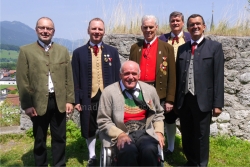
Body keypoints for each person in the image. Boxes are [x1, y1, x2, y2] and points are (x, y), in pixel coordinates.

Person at [16, 17, 74, 166]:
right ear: (36, 30)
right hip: (38, 103)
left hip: (59, 101)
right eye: (42, 28)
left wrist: (69, 100)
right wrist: (27, 104)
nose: (45, 31)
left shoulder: (63, 51)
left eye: (48, 29)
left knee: (60, 137)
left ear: (53, 32)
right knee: (40, 138)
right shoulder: (26, 51)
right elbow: (22, 80)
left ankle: (59, 164)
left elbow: (69, 77)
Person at [175, 14, 224, 166]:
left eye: (198, 24)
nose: (195, 27)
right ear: (188, 28)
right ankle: (191, 160)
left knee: (202, 135)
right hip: (185, 99)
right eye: (191, 25)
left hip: (203, 100)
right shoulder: (182, 48)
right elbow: (178, 76)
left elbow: (218, 77)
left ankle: (201, 164)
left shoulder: (214, 47)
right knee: (187, 132)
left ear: (204, 27)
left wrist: (217, 104)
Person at [71, 18, 121, 166]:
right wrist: (77, 100)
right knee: (89, 125)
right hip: (88, 97)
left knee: (111, 123)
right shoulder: (78, 53)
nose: (96, 32)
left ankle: (111, 153)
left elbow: (119, 75)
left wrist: (119, 96)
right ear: (88, 31)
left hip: (108, 97)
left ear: (104, 31)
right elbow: (75, 77)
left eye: (99, 29)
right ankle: (92, 155)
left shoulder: (113, 51)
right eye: (94, 29)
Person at [97, 60, 165, 166]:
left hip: (145, 132)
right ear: (120, 75)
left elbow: (158, 114)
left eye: (134, 73)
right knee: (128, 151)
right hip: (121, 132)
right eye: (126, 73)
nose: (130, 77)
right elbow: (103, 120)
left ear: (139, 75)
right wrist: (120, 134)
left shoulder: (150, 90)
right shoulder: (109, 92)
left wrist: (159, 132)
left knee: (149, 150)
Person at [129, 14, 176, 155]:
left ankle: (170, 147)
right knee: (141, 118)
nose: (148, 30)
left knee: (165, 120)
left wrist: (170, 98)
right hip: (140, 90)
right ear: (141, 28)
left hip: (159, 90)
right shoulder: (135, 47)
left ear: (156, 27)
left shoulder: (167, 47)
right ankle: (142, 145)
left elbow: (172, 75)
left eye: (151, 27)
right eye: (145, 27)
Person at [158, 11, 191, 155]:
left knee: (187, 117)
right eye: (172, 21)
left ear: (183, 23)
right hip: (167, 84)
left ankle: (188, 146)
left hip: (186, 84)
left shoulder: (190, 38)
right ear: (169, 23)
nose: (175, 23)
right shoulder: (162, 39)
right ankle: (170, 147)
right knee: (169, 116)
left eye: (178, 20)